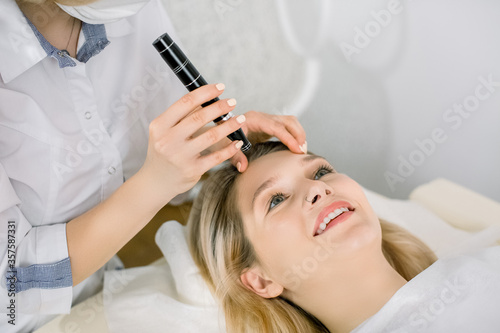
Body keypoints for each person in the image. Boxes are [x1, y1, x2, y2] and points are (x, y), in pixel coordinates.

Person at [0, 0, 306, 331]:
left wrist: (212, 141)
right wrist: (154, 184)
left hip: (104, 291)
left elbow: (159, 149)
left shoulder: (128, 8)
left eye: (320, 171)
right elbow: (13, 280)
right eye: (275, 200)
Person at [188, 141, 500, 333]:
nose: (317, 188)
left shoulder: (485, 269)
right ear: (261, 281)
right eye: (275, 200)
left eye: (320, 172)